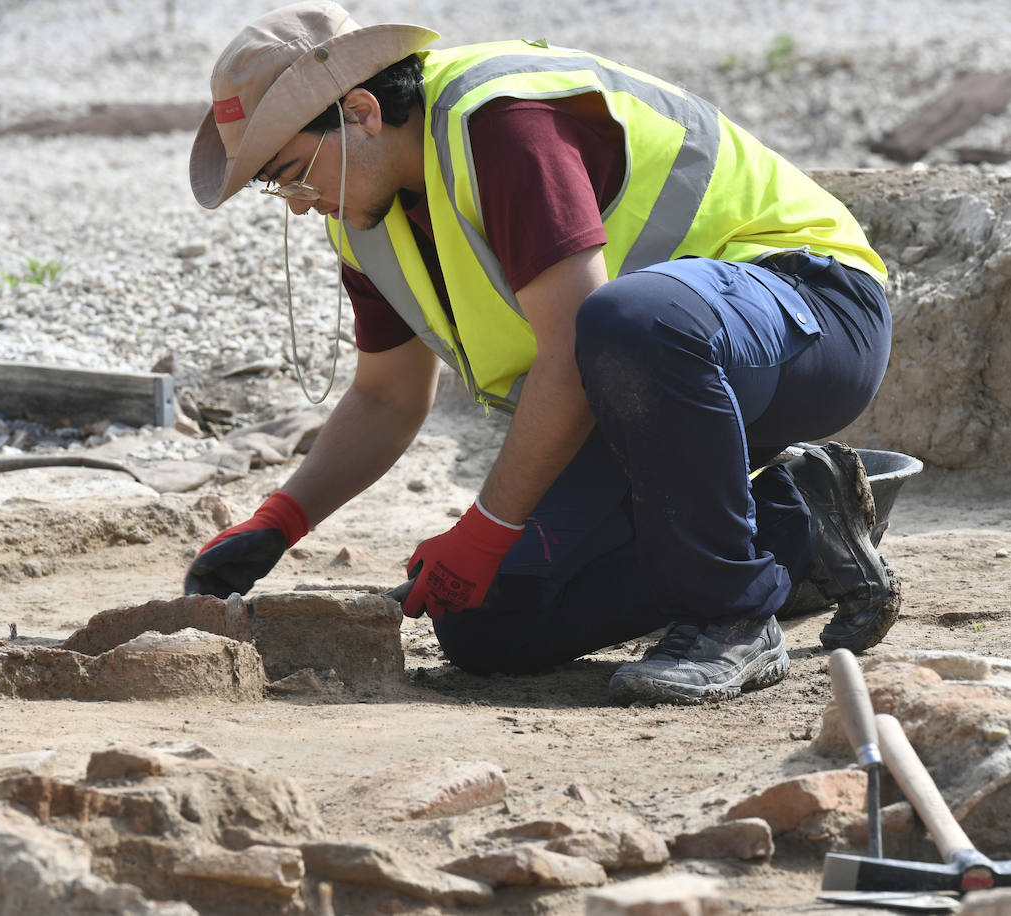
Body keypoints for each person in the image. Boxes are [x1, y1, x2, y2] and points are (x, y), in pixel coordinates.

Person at [183, 0, 900, 705]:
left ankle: (732, 617)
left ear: (362, 111)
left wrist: (486, 527)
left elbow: (572, 346)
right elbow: (388, 395)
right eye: (274, 186)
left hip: (810, 310)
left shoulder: (499, 123)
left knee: (626, 318)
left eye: (289, 171)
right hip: (649, 382)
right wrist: (281, 519)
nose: (297, 202)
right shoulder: (365, 213)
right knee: (482, 626)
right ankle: (796, 523)